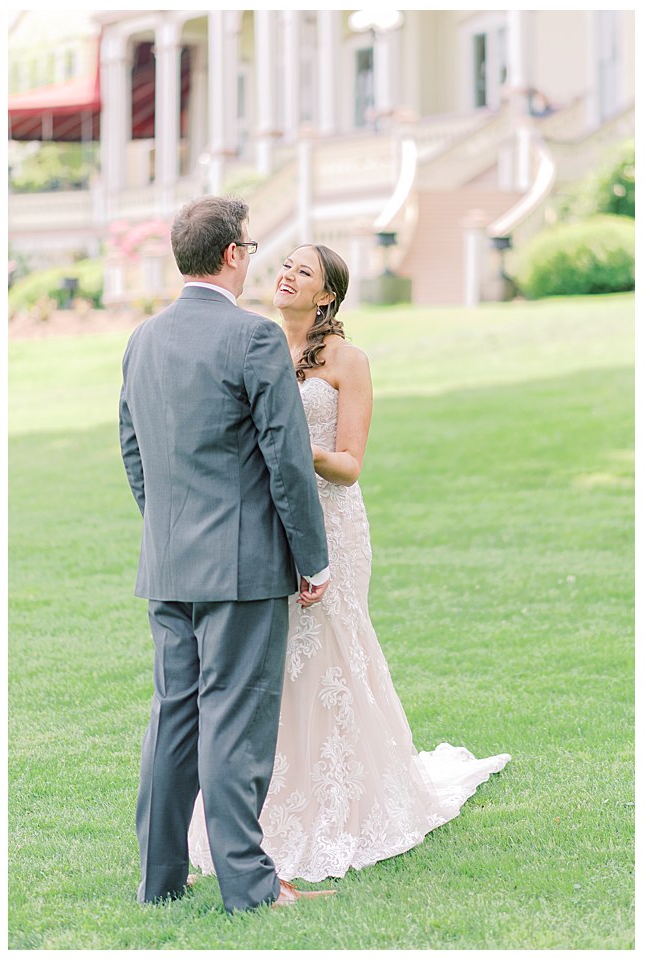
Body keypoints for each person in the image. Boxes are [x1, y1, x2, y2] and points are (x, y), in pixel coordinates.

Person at [186, 244, 510, 882]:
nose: (287, 275)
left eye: (304, 271)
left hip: (332, 525)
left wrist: (286, 442)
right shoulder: (255, 344)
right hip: (266, 526)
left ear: (327, 295)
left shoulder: (348, 361)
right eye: (284, 265)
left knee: (331, 654)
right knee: (273, 663)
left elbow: (350, 462)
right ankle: (267, 803)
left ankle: (350, 799)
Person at [118, 196, 331, 912]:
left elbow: (131, 448)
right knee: (237, 724)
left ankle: (159, 883)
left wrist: (166, 528)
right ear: (234, 255)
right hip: (242, 567)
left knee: (174, 716)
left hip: (170, 562)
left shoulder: (142, 339)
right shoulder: (256, 338)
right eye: (251, 246)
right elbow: (288, 459)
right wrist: (312, 557)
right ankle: (249, 886)